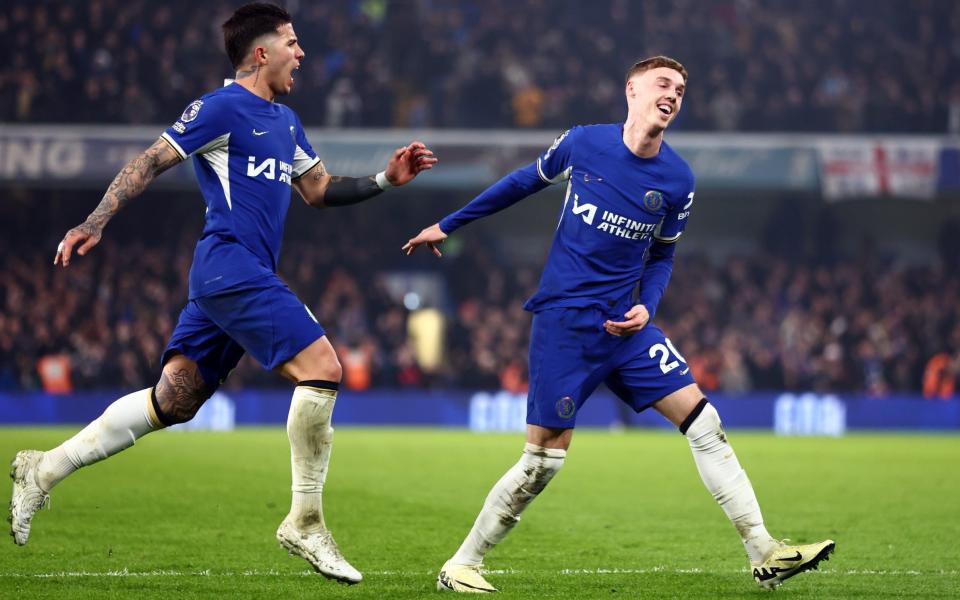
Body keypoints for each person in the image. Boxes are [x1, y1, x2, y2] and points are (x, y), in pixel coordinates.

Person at [9, 2, 437, 585]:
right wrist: (96, 219)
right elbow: (150, 161)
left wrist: (387, 180)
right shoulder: (220, 108)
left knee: (175, 399)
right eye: (292, 42)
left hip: (233, 278)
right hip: (229, 268)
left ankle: (43, 470)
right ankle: (305, 521)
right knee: (325, 367)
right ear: (261, 52)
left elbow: (316, 190)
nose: (301, 53)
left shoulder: (286, 122)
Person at [403, 56, 834, 593]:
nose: (673, 94)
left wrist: (648, 307)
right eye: (663, 84)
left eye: (680, 89)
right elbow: (518, 184)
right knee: (541, 465)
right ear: (631, 90)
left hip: (626, 330)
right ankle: (462, 564)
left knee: (705, 423)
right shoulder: (584, 143)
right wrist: (446, 224)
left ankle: (764, 551)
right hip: (564, 323)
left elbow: (663, 256)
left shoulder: (678, 179)